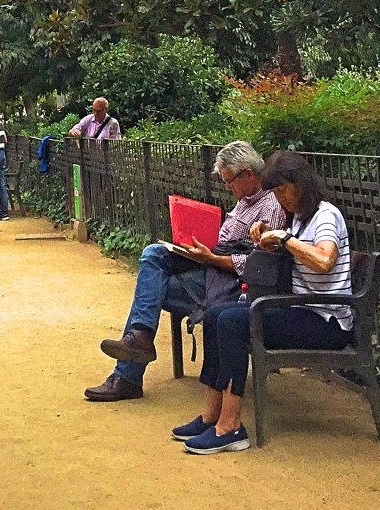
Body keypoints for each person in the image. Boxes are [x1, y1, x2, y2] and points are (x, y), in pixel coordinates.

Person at [176, 150, 354, 454]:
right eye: (275, 192)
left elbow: (324, 260)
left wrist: (285, 240)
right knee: (217, 314)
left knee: (233, 322)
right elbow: (293, 254)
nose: (281, 198)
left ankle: (230, 427)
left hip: (326, 321)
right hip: (301, 309)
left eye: (283, 190)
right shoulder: (300, 219)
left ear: (300, 182)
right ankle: (211, 414)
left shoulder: (325, 215)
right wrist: (267, 239)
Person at [85, 141, 286, 401]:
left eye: (230, 181)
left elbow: (258, 264)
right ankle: (140, 339)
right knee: (153, 255)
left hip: (230, 283)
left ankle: (128, 372)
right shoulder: (246, 200)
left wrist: (212, 258)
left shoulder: (270, 207)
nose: (228, 187)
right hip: (211, 266)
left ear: (248, 173)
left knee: (153, 288)